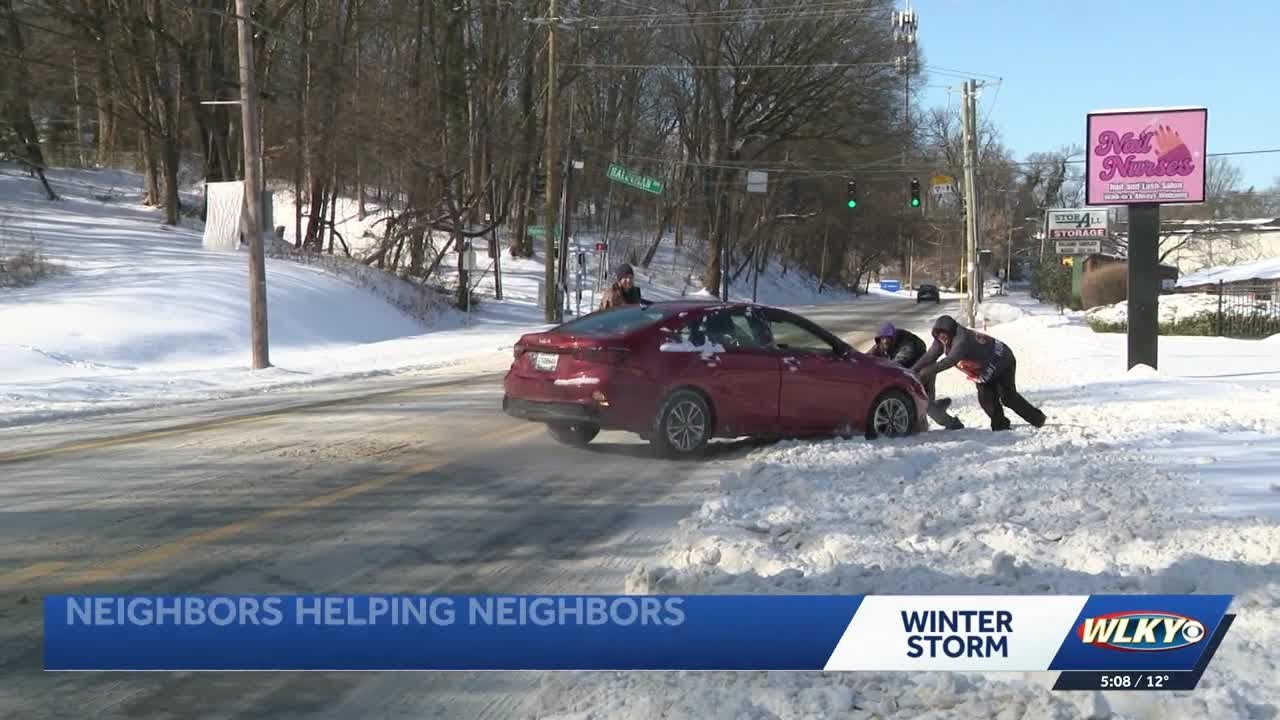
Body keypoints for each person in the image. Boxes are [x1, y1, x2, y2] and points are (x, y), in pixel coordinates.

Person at [911, 315, 1046, 431]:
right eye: (939, 334)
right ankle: (1001, 426)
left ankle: (1038, 419)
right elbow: (930, 356)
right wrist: (912, 370)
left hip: (1003, 360)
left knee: (1008, 397)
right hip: (983, 370)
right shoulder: (941, 339)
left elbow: (950, 360)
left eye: (945, 334)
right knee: (986, 399)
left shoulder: (961, 340)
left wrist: (926, 372)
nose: (942, 337)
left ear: (951, 332)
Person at [871, 322, 963, 430]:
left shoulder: (907, 344)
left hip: (925, 373)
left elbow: (898, 363)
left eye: (888, 338)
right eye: (882, 339)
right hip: (909, 375)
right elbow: (867, 358)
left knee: (925, 404)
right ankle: (938, 408)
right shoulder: (880, 345)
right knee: (919, 404)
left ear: (894, 337)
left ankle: (952, 423)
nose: (885, 341)